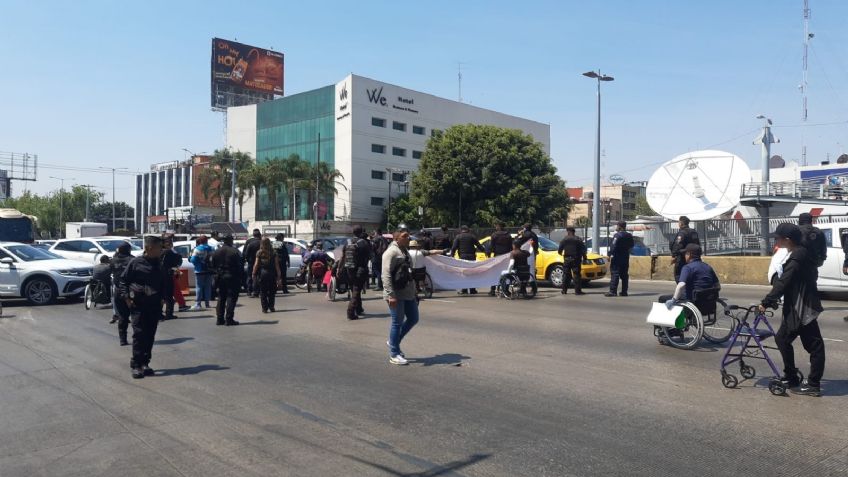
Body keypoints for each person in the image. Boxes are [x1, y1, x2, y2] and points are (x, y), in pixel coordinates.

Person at [760, 223, 825, 397]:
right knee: (784, 339)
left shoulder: (797, 256)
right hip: (801, 304)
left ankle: (812, 384)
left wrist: (767, 301)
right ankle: (792, 376)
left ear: (787, 240)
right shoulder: (802, 252)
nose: (776, 240)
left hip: (801, 307)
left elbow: (784, 281)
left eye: (778, 237)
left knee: (813, 345)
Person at [119, 235, 166, 379]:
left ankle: (145, 363)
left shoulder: (159, 263)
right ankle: (136, 365)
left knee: (150, 335)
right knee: (139, 335)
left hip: (154, 305)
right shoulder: (135, 262)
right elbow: (123, 281)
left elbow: (162, 282)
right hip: (138, 304)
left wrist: (163, 298)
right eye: (159, 248)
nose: (161, 250)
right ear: (149, 248)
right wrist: (126, 298)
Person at [383, 228, 418, 365]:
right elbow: (385, 275)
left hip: (407, 292)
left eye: (408, 236)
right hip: (396, 294)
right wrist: (391, 295)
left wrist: (414, 292)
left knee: (414, 318)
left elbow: (408, 274)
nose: (408, 238)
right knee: (397, 322)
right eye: (405, 236)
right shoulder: (391, 252)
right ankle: (394, 353)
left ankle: (393, 341)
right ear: (397, 238)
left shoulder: (404, 251)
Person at [211, 234, 244, 326]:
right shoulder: (235, 251)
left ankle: (219, 319)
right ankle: (229, 319)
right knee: (231, 298)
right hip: (232, 277)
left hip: (220, 277)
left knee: (221, 298)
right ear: (230, 240)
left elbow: (212, 265)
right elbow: (240, 266)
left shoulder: (216, 251)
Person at [345, 225, 372, 320]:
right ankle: (350, 312)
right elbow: (370, 256)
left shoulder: (348, 242)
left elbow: (342, 256)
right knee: (356, 290)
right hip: (360, 270)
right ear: (361, 232)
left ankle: (359, 308)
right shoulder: (364, 243)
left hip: (349, 269)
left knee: (355, 289)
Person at [450, 225, 486, 294]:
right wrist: (485, 251)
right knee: (472, 273)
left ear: (461, 230)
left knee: (464, 273)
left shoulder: (458, 237)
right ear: (468, 230)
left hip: (463, 257)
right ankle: (472, 290)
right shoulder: (472, 236)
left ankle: (464, 289)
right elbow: (479, 245)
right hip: (472, 257)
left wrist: (452, 255)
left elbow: (454, 247)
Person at [110, 243, 133, 345]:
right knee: (137, 316)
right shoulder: (132, 259)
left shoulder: (113, 260)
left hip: (118, 291)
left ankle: (122, 339)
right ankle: (138, 338)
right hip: (132, 292)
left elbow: (110, 270)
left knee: (123, 317)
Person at [161, 234, 188, 320]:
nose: (170, 243)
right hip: (168, 276)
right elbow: (177, 260)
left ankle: (159, 313)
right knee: (168, 296)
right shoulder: (168, 252)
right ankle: (169, 314)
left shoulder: (159, 252)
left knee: (161, 296)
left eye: (170, 242)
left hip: (160, 276)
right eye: (168, 242)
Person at [252, 238, 283, 313]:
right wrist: (279, 277)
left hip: (262, 274)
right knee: (272, 291)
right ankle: (271, 306)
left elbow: (256, 264)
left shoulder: (259, 252)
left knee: (263, 292)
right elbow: (277, 265)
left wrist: (253, 273)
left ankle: (264, 308)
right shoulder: (274, 252)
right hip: (272, 274)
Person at [606, 221, 635, 297]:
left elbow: (613, 246)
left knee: (615, 274)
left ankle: (613, 292)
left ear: (620, 226)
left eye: (617, 226)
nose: (616, 227)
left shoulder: (617, 235)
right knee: (624, 275)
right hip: (625, 257)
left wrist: (609, 254)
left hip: (617, 257)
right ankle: (624, 292)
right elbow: (632, 245)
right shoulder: (629, 235)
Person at [670, 216, 700, 282]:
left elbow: (677, 246)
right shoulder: (694, 232)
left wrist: (673, 256)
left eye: (679, 222)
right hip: (694, 257)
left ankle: (684, 291)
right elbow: (698, 244)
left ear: (681, 223)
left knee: (679, 276)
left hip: (682, 258)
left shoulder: (682, 233)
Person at [558, 227, 587, 295]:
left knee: (566, 275)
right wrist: (585, 258)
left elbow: (559, 250)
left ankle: (564, 290)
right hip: (576, 259)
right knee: (576, 275)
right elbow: (583, 250)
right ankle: (577, 291)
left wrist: (562, 254)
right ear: (574, 232)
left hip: (567, 259)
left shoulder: (564, 239)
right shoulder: (578, 239)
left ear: (568, 231)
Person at [798, 212, 827, 279]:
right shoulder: (818, 231)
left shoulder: (796, 230)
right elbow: (823, 246)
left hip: (799, 261)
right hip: (814, 262)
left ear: (800, 220)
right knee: (812, 282)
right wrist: (823, 258)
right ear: (811, 220)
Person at [488, 222, 514, 296]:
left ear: (498, 227)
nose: (495, 227)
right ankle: (506, 290)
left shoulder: (494, 235)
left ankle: (492, 290)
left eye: (496, 226)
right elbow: (511, 247)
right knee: (506, 273)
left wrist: (489, 255)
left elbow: (491, 246)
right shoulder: (508, 235)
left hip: (497, 256)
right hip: (506, 256)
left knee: (495, 273)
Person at [189, 235, 214, 310]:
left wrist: (198, 264)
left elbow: (193, 260)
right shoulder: (211, 248)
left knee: (199, 287)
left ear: (200, 241)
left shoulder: (197, 249)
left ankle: (198, 304)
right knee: (208, 287)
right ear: (207, 241)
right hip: (209, 270)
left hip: (199, 270)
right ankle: (207, 304)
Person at [243, 229, 262, 297]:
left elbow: (245, 253)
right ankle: (257, 291)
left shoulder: (249, 242)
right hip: (260, 262)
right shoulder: (261, 242)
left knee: (250, 276)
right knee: (259, 276)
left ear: (253, 235)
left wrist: (248, 260)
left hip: (251, 262)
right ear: (259, 235)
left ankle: (249, 291)